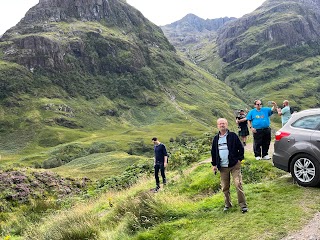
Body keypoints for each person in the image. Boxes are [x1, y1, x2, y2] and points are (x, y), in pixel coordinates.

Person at [211, 118, 248, 213]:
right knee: (224, 187)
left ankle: (243, 205)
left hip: (234, 165)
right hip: (222, 167)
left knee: (238, 183)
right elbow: (213, 152)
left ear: (226, 125)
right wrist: (214, 164)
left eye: (223, 123)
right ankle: (228, 204)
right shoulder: (216, 138)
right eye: (220, 124)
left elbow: (241, 148)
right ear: (217, 126)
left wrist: (240, 159)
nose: (222, 125)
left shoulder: (233, 136)